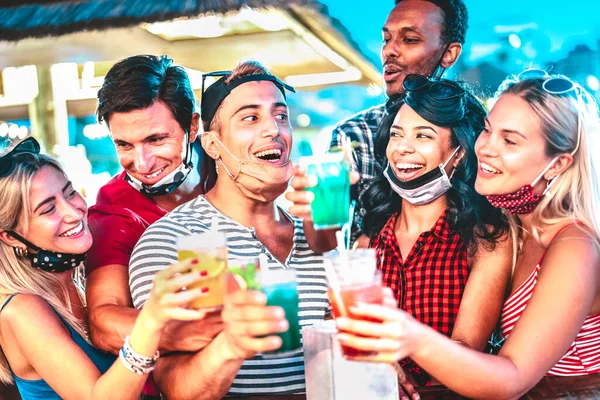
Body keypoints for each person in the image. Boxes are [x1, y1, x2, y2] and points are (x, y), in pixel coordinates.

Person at [334, 71, 600, 398]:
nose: (485, 147)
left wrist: (403, 333)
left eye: (510, 140)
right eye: (488, 130)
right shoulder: (513, 226)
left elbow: (511, 379)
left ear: (558, 164)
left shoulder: (575, 246)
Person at [290, 75, 512, 389]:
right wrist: (374, 371)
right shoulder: (368, 241)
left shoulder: (485, 240)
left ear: (459, 153)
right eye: (397, 135)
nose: (402, 149)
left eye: (423, 136)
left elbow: (467, 348)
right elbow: (341, 333)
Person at [128, 61, 329, 398]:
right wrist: (232, 343)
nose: (273, 130)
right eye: (250, 118)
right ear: (212, 145)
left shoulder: (316, 234)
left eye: (281, 116)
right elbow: (174, 388)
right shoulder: (174, 240)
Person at [0, 138, 208, 400]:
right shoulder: (21, 308)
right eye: (49, 209)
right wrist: (150, 323)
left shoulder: (80, 281)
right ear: (10, 236)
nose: (73, 213)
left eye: (69, 193)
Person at [86, 55, 223, 398]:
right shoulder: (112, 210)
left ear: (193, 127)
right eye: (125, 145)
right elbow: (103, 322)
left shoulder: (229, 166)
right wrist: (206, 331)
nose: (142, 163)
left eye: (156, 139)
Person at [330, 0, 469, 243]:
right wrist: (314, 211)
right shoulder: (353, 135)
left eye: (410, 39)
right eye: (386, 39)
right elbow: (325, 241)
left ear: (449, 53)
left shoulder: (478, 133)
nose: (389, 51)